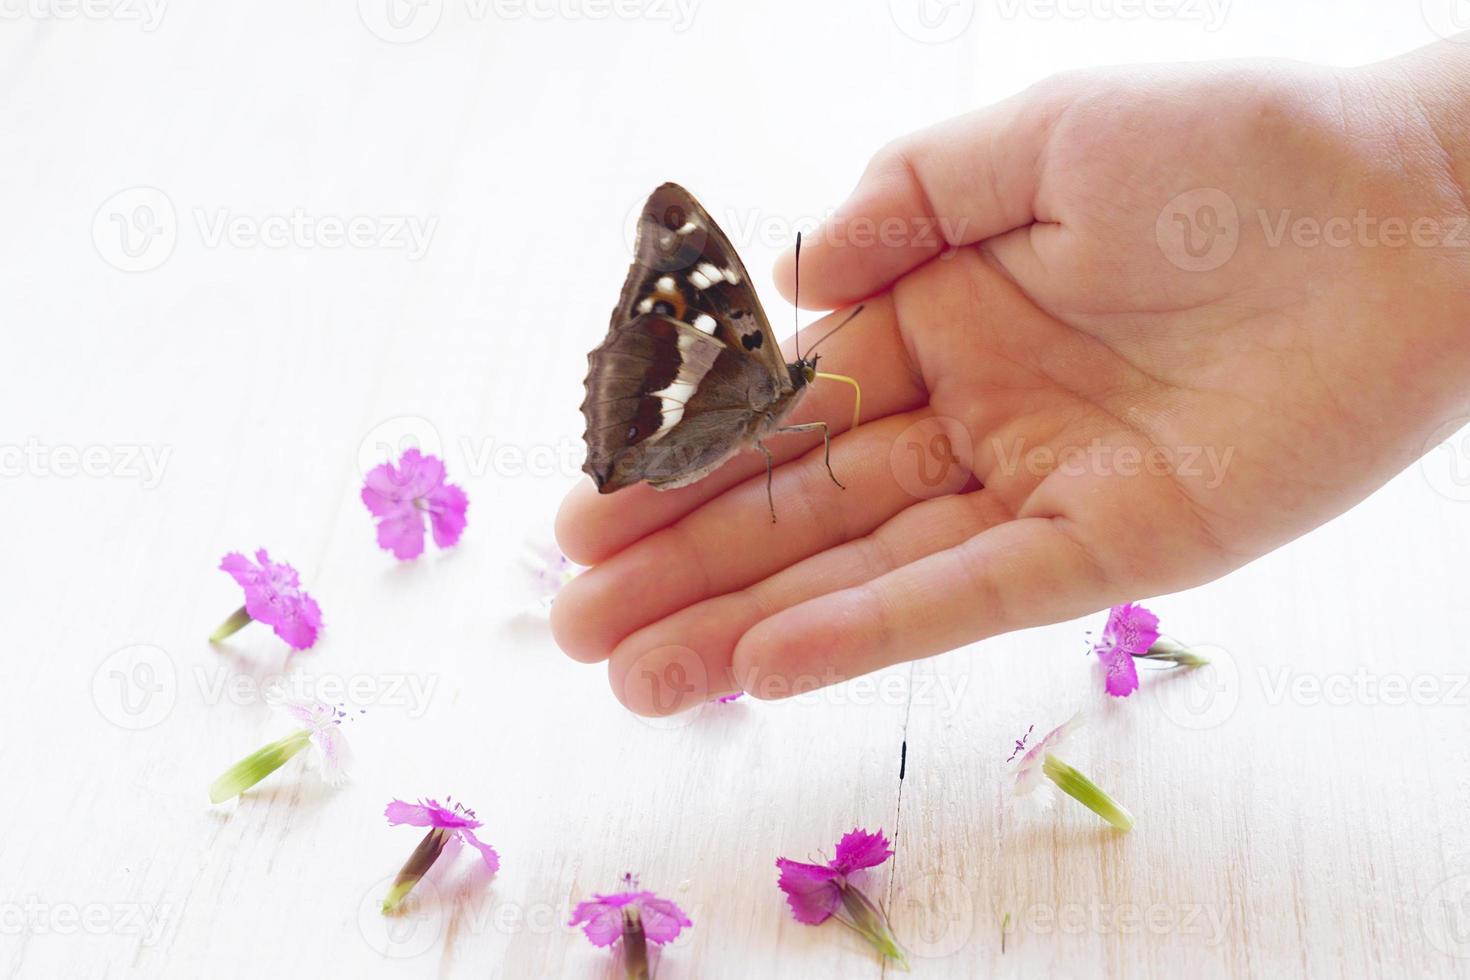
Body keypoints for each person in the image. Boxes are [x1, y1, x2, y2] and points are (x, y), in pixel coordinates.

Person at [552, 37, 1470, 714]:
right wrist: (1429, 160)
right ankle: (632, 454)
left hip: (685, 427)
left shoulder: (792, 396)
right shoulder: (755, 378)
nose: (816, 370)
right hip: (665, 414)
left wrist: (1423, 166)